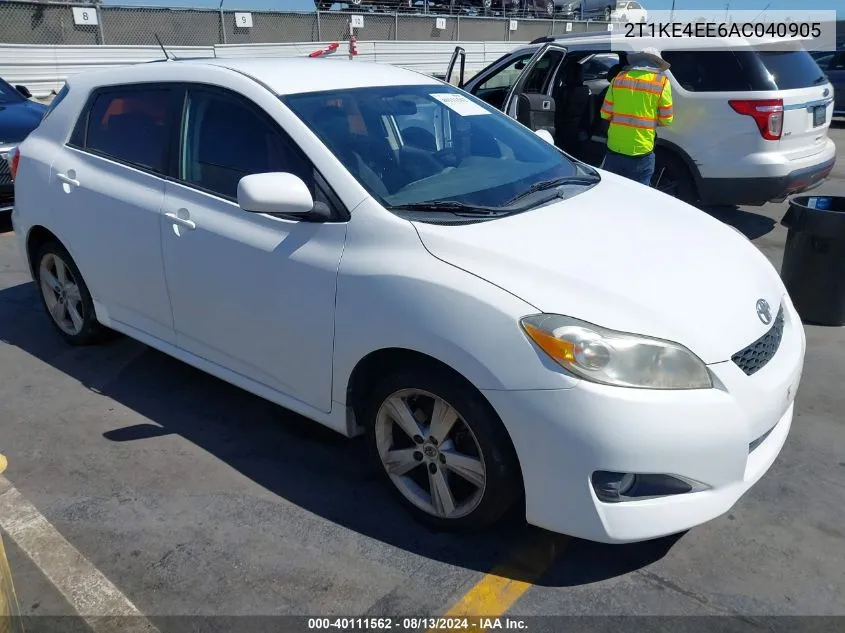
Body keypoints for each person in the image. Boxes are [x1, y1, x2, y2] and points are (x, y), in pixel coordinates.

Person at [599, 48, 673, 186]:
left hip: (615, 147)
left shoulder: (618, 79)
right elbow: (667, 119)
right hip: (641, 148)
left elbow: (605, 113)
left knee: (612, 190)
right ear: (656, 64)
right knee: (639, 195)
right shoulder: (661, 82)